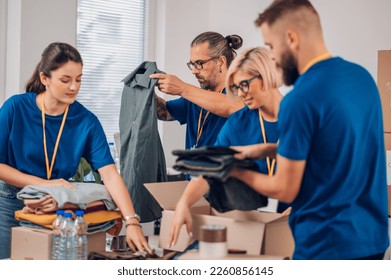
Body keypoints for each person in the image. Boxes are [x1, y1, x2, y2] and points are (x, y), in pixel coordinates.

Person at [230, 0, 389, 259]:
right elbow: (335, 147)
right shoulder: (362, 78)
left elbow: (285, 189)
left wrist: (234, 170)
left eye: (271, 46)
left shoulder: (300, 99)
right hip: (372, 241)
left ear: (291, 38)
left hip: (326, 246)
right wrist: (268, 150)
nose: (272, 56)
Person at [0, 42, 152, 259]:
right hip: (11, 201)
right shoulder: (15, 108)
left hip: (57, 206)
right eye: (65, 80)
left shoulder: (86, 121)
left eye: (79, 79)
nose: (74, 87)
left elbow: (109, 174)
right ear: (45, 78)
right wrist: (45, 185)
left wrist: (132, 220)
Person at [168, 46, 289, 247]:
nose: (240, 94)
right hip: (253, 224)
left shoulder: (302, 117)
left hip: (296, 224)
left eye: (244, 85)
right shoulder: (238, 122)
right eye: (235, 88)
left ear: (266, 76)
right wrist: (184, 203)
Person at [150, 31, 244, 151]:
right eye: (192, 64)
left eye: (200, 63)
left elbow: (233, 107)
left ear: (221, 61)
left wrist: (182, 88)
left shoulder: (242, 93)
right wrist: (146, 91)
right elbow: (164, 113)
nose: (194, 71)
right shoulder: (193, 98)